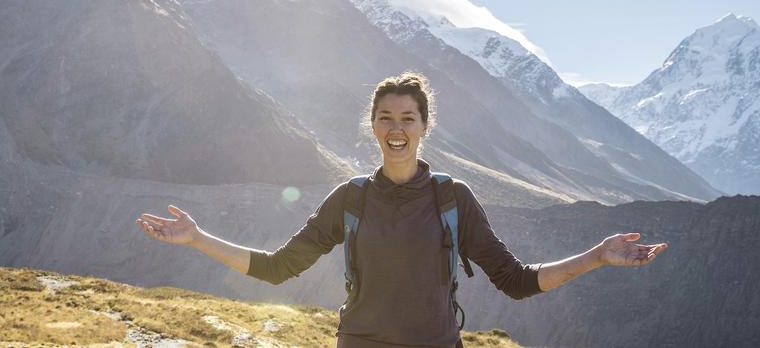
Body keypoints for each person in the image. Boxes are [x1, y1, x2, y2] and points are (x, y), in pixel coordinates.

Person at [135, 72, 668, 347]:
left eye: (408, 118)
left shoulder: (452, 198)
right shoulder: (351, 199)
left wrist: (597, 257)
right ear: (373, 125)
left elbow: (516, 280)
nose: (396, 128)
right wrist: (198, 237)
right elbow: (278, 268)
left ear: (424, 126)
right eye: (386, 117)